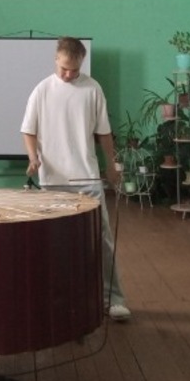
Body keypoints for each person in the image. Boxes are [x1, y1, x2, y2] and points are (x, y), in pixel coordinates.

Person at [21, 36, 131, 322]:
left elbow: (104, 133)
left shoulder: (93, 89)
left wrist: (111, 166)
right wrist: (33, 157)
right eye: (64, 69)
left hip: (87, 179)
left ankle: (113, 299)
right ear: (56, 59)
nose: (69, 75)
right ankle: (55, 300)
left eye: (75, 70)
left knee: (102, 239)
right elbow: (28, 130)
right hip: (52, 182)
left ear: (82, 62)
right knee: (53, 243)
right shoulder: (42, 90)